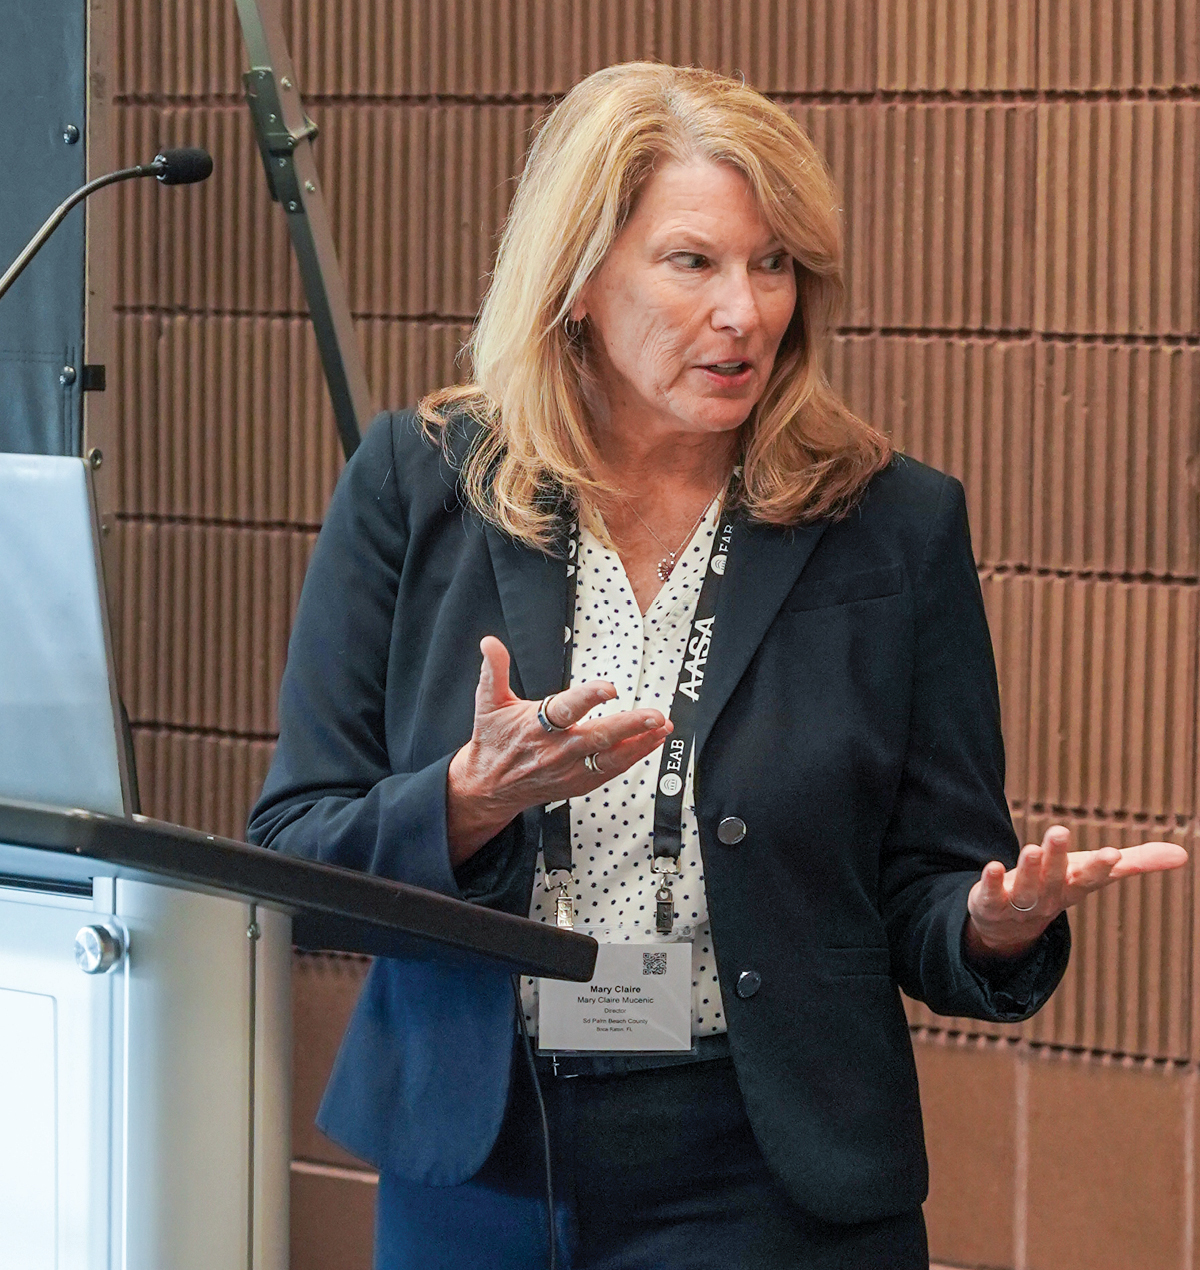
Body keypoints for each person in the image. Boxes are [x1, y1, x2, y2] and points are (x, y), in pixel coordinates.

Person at [248, 62, 1186, 1269]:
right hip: (481, 1164)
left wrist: (992, 924)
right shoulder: (418, 483)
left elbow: (932, 885)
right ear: (579, 278)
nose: (745, 311)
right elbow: (291, 856)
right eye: (693, 262)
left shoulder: (889, 524)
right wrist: (469, 801)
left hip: (768, 1173)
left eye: (774, 263)